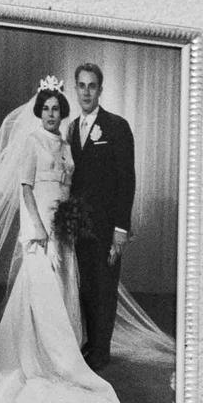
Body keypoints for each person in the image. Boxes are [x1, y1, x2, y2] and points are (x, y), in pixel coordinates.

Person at [0, 79, 141, 403]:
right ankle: (43, 358)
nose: (51, 114)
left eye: (56, 109)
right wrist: (38, 228)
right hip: (40, 224)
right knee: (42, 290)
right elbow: (25, 188)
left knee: (62, 288)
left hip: (63, 226)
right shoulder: (32, 142)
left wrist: (71, 223)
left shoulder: (65, 143)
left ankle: (59, 353)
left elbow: (74, 185)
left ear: (62, 112)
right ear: (38, 112)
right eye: (45, 108)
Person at [69, 62, 136, 370]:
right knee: (85, 287)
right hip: (79, 227)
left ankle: (101, 353)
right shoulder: (72, 128)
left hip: (107, 226)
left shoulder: (116, 126)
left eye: (92, 86)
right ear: (76, 88)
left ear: (100, 90)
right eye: (81, 86)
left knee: (104, 288)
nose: (86, 92)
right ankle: (90, 344)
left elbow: (127, 180)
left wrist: (121, 229)